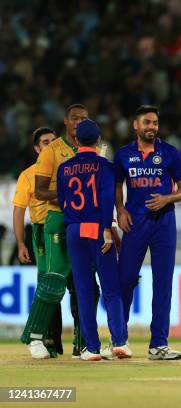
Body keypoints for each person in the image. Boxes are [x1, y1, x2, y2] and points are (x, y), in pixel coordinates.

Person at [114, 105, 181, 360]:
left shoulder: (170, 152)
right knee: (124, 280)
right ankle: (119, 340)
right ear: (135, 125)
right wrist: (120, 209)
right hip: (134, 224)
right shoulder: (123, 154)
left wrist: (167, 199)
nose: (151, 127)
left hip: (163, 223)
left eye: (155, 123)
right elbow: (116, 185)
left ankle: (158, 344)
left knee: (163, 284)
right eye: (146, 122)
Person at [27, 104, 98, 359]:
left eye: (84, 118)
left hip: (86, 221)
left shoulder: (94, 150)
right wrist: (69, 195)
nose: (79, 122)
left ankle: (85, 344)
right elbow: (40, 192)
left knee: (87, 285)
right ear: (66, 122)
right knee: (54, 280)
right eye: (75, 118)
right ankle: (34, 338)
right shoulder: (52, 151)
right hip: (58, 219)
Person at [57, 119, 129, 361]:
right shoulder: (105, 166)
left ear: (76, 141)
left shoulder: (64, 168)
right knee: (111, 288)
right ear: (98, 140)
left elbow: (62, 199)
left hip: (74, 230)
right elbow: (107, 197)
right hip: (98, 229)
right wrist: (108, 229)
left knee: (84, 290)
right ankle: (119, 342)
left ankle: (92, 348)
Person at [13, 127, 61, 359]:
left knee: (74, 287)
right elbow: (18, 211)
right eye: (45, 142)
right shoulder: (28, 175)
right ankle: (37, 337)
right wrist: (21, 243)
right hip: (43, 231)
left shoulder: (67, 168)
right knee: (49, 283)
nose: (50, 145)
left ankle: (76, 344)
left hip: (69, 227)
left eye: (53, 141)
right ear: (36, 148)